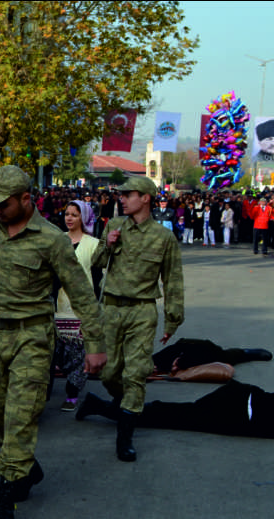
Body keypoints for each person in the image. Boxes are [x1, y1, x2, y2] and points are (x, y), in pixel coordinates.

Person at [0, 165, 106, 519]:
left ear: (26, 199)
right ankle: (27, 468)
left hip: (32, 338)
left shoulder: (51, 240)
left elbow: (81, 293)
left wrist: (94, 344)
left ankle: (3, 504)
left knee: (20, 419)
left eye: (4, 204)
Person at [91, 175, 184, 462]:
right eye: (121, 194)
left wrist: (172, 320)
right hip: (111, 308)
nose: (121, 198)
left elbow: (173, 281)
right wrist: (107, 244)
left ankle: (125, 435)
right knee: (108, 372)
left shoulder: (163, 237)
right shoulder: (115, 226)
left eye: (127, 194)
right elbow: (95, 263)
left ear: (145, 198)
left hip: (142, 309)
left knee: (136, 372)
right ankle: (120, 405)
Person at [75, 382, 274, 440]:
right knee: (171, 416)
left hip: (239, 402)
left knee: (171, 414)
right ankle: (101, 406)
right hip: (235, 410)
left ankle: (100, 406)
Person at [53, 200, 103, 412]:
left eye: (74, 214)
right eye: (67, 214)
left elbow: (97, 278)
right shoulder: (57, 241)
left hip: (80, 309)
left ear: (84, 218)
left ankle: (72, 394)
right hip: (56, 306)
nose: (69, 218)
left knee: (77, 356)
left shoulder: (93, 244)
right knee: (56, 353)